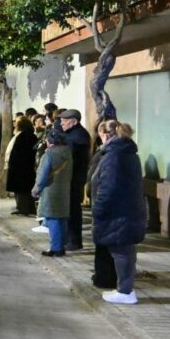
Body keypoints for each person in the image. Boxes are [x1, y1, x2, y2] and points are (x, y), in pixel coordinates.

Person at [92, 120, 146, 304]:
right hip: (126, 208)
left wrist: (98, 209)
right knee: (124, 250)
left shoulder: (114, 155)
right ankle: (124, 289)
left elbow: (108, 186)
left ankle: (125, 291)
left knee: (121, 251)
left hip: (118, 211)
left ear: (106, 135)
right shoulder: (127, 152)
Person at [32, 129, 72, 257]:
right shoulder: (68, 153)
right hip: (64, 188)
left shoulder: (49, 155)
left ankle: (56, 247)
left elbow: (42, 175)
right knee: (62, 217)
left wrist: (36, 189)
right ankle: (62, 244)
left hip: (51, 189)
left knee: (52, 217)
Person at [60, 109, 91, 252]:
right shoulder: (72, 134)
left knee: (73, 210)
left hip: (75, 177)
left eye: (65, 121)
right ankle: (69, 239)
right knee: (69, 209)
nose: (62, 124)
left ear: (74, 121)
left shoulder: (79, 136)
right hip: (71, 177)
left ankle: (75, 240)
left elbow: (70, 154)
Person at [6, 116, 38, 216]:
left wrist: (12, 163)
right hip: (25, 166)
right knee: (26, 189)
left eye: (16, 122)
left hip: (20, 167)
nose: (15, 124)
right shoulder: (30, 135)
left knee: (21, 190)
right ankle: (28, 208)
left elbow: (18, 152)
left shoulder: (23, 136)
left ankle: (23, 209)